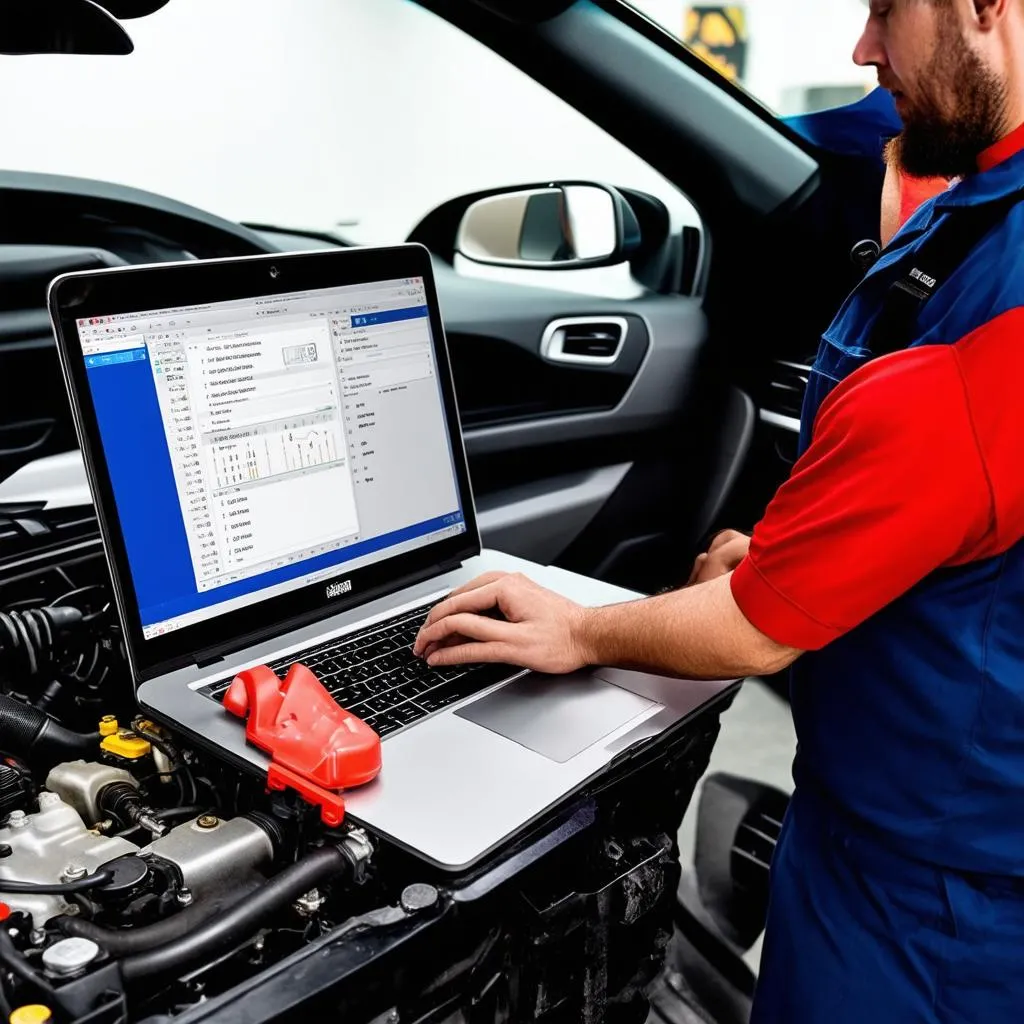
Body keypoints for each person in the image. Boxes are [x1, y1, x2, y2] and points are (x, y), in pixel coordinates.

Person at [414, 0, 1024, 1019]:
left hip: (931, 901)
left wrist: (575, 628)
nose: (863, 52)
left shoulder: (994, 316)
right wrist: (800, 548)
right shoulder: (977, 217)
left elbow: (754, 628)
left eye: (883, 10)